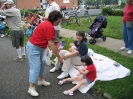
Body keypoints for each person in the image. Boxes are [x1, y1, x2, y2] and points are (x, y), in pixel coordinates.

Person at [26, 10, 63, 97]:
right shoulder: (49, 26)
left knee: (42, 64)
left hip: (41, 47)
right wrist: (59, 57)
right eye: (58, 20)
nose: (59, 22)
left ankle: (40, 80)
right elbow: (51, 43)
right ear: (54, 19)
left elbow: (50, 40)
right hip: (33, 47)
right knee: (35, 67)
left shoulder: (48, 23)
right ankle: (31, 88)